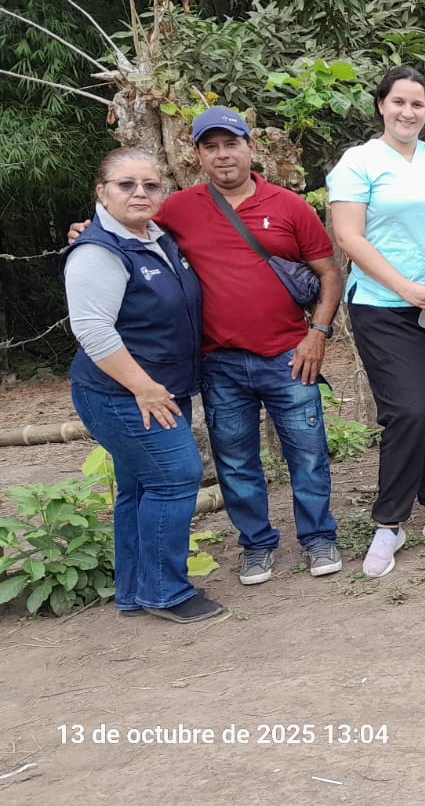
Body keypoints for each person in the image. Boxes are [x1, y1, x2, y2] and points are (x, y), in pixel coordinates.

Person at [65, 108, 346, 586]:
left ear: (250, 147)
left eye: (231, 143)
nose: (223, 155)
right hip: (219, 362)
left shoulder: (290, 206)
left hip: (289, 356)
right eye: (210, 146)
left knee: (308, 454)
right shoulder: (178, 208)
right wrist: (86, 231)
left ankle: (319, 536)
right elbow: (126, 227)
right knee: (235, 462)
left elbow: (329, 273)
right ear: (196, 155)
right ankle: (256, 544)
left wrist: (317, 333)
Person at [328, 66, 425, 577]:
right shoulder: (358, 162)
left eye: (417, 103)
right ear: (381, 105)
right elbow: (349, 236)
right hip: (384, 306)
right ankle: (390, 522)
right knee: (409, 410)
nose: (408, 112)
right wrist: (406, 288)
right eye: (398, 101)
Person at [66, 148, 222, 623]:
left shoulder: (157, 238)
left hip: (160, 389)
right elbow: (92, 330)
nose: (140, 193)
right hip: (123, 394)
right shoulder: (97, 251)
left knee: (139, 487)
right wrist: (144, 387)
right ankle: (165, 592)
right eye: (126, 184)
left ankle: (135, 591)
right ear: (102, 192)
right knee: (176, 477)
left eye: (151, 185)